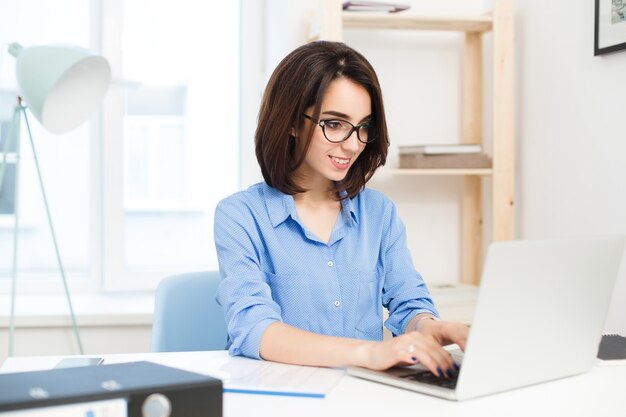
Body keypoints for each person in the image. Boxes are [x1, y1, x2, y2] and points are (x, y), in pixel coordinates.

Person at [214, 40, 468, 378]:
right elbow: (255, 329)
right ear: (291, 121)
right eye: (334, 124)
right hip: (283, 398)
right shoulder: (240, 216)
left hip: (364, 397)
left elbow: (409, 303)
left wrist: (428, 326)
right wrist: (370, 352)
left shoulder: (380, 213)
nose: (352, 144)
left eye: (364, 127)